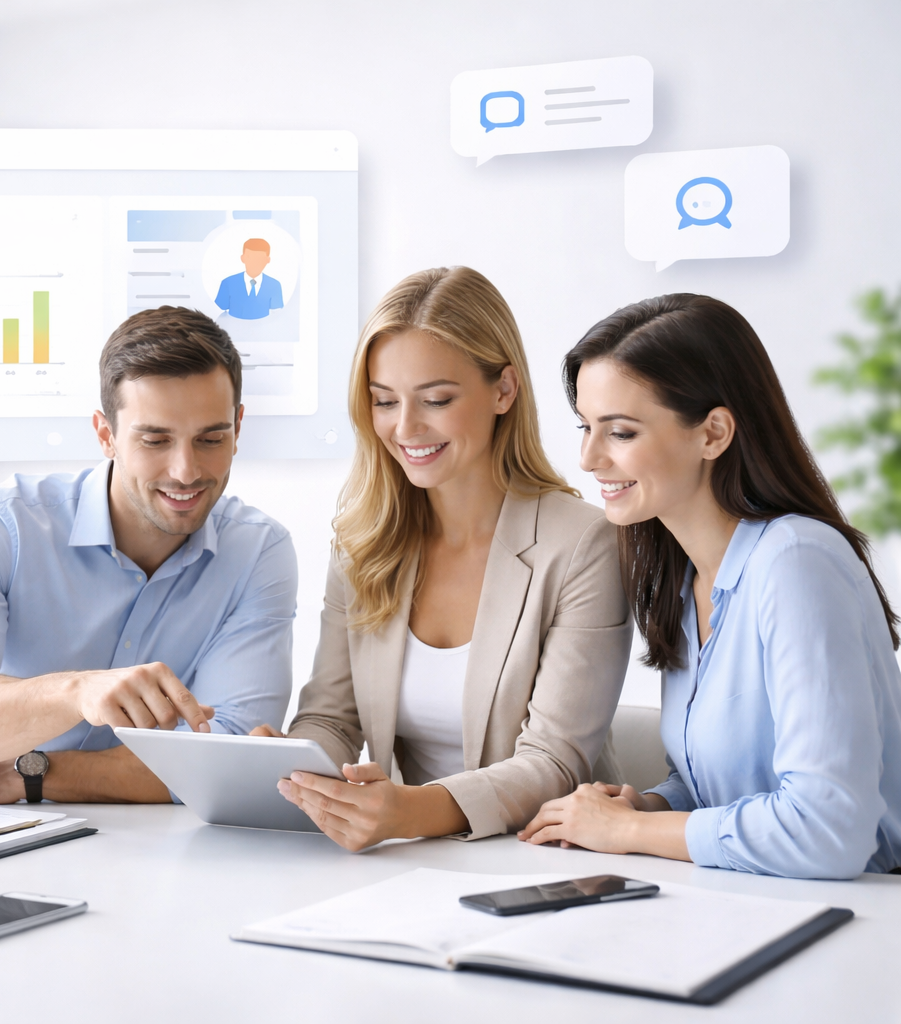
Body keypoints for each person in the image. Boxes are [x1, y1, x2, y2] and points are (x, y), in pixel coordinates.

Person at [519, 294, 901, 878]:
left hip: (863, 920)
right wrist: (651, 804)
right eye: (586, 428)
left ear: (713, 433)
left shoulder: (796, 561)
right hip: (746, 905)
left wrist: (632, 830)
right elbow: (725, 788)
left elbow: (828, 831)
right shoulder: (685, 576)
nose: (589, 458)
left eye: (620, 432)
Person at [258, 266, 631, 851]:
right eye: (384, 401)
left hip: (541, 859)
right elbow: (332, 719)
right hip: (407, 859)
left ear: (503, 391)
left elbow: (554, 762)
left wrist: (408, 811)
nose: (405, 428)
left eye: (435, 399)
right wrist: (294, 768)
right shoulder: (363, 542)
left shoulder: (584, 544)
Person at [0, 305, 297, 802]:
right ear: (106, 434)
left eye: (211, 438)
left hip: (119, 838)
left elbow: (229, 754)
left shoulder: (258, 552)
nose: (186, 470)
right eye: (155, 439)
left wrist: (30, 775)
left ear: (238, 428)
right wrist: (77, 692)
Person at [214, 238, 284, 320]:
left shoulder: (274, 285)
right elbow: (217, 311)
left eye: (259, 258)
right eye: (250, 257)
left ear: (268, 260)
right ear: (242, 258)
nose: (254, 262)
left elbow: (278, 315)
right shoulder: (228, 283)